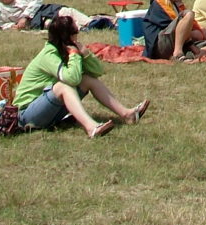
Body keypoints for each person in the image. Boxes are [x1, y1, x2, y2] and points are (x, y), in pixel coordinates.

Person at [13, 15, 150, 138]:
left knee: (87, 79)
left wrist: (85, 54)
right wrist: (74, 55)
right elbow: (72, 79)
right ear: (68, 37)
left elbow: (98, 71)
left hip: (48, 111)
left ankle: (128, 115)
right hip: (27, 115)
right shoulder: (49, 55)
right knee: (62, 87)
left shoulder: (66, 50)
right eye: (75, 32)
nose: (77, 36)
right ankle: (91, 128)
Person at [141, 0, 206, 61]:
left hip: (175, 42)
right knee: (189, 14)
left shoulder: (174, 3)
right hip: (159, 46)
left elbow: (189, 26)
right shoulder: (159, 3)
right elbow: (179, 27)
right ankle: (178, 53)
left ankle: (193, 55)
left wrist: (180, 4)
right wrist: (193, 38)